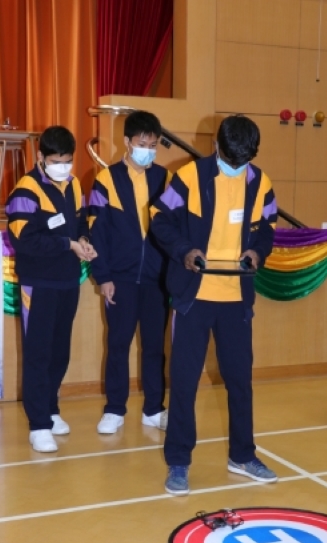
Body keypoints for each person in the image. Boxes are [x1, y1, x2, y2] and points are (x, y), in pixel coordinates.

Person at [151, 114, 278, 495]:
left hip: (236, 299)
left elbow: (268, 228)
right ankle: (178, 461)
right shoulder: (189, 176)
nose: (237, 168)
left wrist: (257, 253)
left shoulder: (261, 183)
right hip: (194, 297)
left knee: (240, 381)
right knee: (184, 382)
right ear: (217, 146)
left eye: (244, 162)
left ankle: (242, 455)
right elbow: (159, 220)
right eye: (230, 160)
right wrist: (184, 251)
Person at [5, 125, 97, 453]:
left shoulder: (73, 184)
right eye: (56, 161)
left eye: (68, 161)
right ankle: (38, 424)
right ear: (41, 158)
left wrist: (83, 240)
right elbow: (24, 240)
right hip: (38, 283)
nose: (63, 167)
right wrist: (67, 244)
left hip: (67, 280)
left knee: (60, 352)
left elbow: (81, 221)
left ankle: (51, 408)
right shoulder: (25, 191)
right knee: (38, 353)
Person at [89, 110, 170, 435]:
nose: (147, 151)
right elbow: (96, 232)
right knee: (118, 344)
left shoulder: (165, 179)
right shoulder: (106, 180)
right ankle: (114, 409)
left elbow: (174, 229)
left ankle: (154, 408)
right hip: (119, 279)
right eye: (142, 144)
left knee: (155, 347)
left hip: (156, 280)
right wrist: (103, 276)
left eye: (153, 145)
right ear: (127, 142)